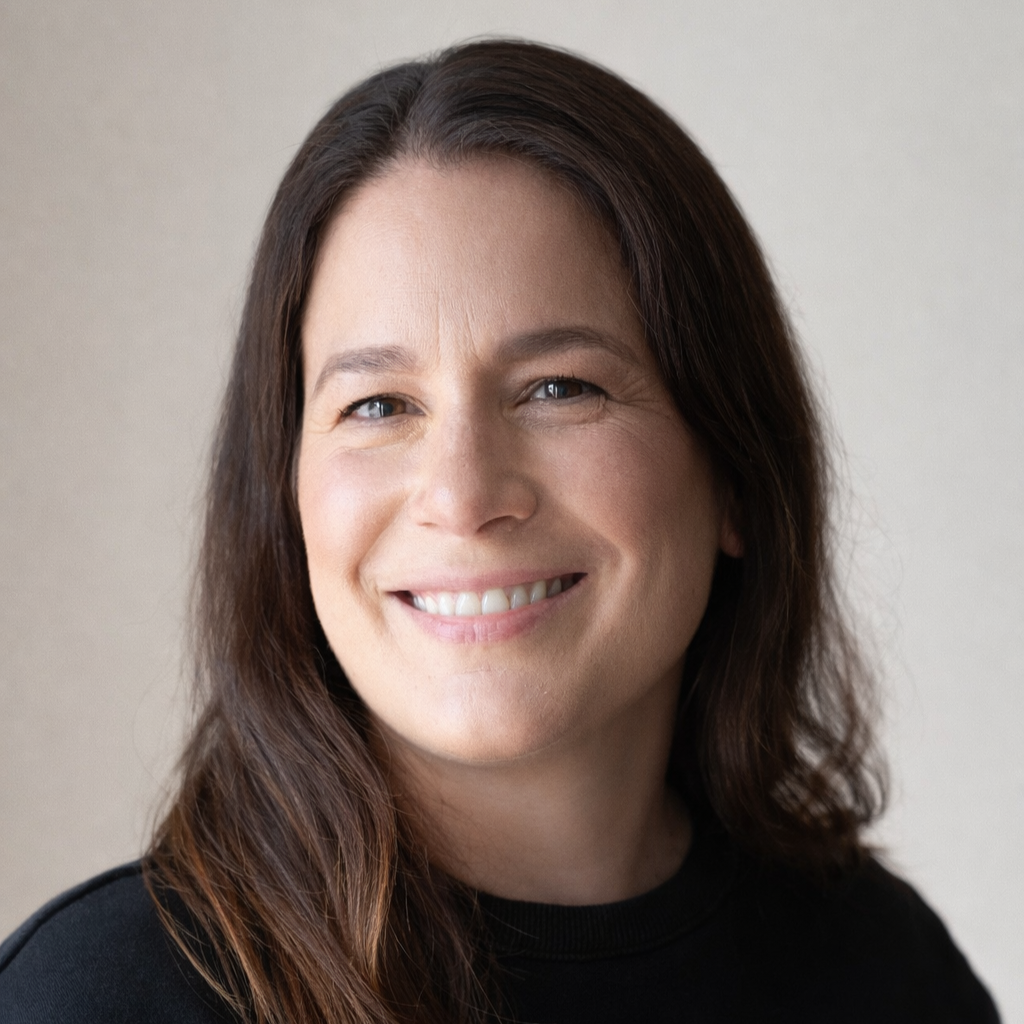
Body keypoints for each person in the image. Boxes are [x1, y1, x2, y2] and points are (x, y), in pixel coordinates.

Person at [0, 39, 999, 1024]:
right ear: (286, 495)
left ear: (734, 471)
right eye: (379, 405)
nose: (463, 493)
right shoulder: (93, 998)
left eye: (560, 388)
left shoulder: (884, 972)